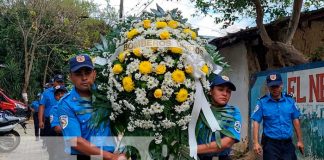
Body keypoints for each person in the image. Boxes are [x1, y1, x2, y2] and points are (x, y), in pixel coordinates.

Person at [57, 54, 126, 160]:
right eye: (78, 74)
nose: (84, 78)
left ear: (94, 74)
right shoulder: (66, 104)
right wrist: (111, 157)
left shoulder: (107, 95)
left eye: (87, 73)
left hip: (110, 154)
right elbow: (75, 141)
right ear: (71, 77)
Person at [251, 72, 304, 160]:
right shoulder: (262, 102)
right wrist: (256, 143)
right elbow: (256, 121)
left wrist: (300, 140)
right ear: (268, 87)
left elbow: (295, 119)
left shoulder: (290, 101)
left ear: (282, 85)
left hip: (288, 144)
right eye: (272, 86)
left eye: (277, 86)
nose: (275, 89)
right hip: (271, 145)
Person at [196, 74, 242, 160]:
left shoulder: (233, 112)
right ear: (210, 90)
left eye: (228, 91)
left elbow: (227, 142)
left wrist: (193, 149)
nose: (225, 94)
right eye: (220, 89)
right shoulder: (198, 110)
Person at [38, 74, 65, 147]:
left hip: (63, 121)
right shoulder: (46, 93)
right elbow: (41, 107)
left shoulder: (66, 92)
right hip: (49, 121)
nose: (59, 84)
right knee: (51, 146)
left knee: (63, 146)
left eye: (61, 82)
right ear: (54, 82)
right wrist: (40, 121)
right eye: (58, 82)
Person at [47, 85, 68, 160]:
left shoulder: (73, 106)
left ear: (67, 94)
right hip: (61, 139)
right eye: (57, 94)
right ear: (55, 97)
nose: (60, 95)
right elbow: (57, 128)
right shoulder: (54, 109)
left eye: (62, 93)